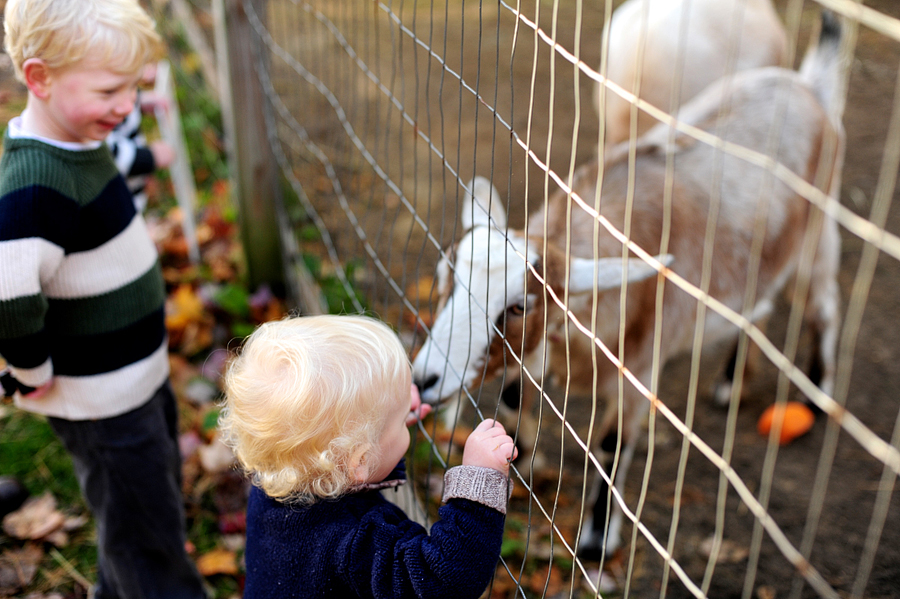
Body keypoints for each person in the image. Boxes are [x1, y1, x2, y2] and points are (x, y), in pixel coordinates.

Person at [0, 1, 206, 597]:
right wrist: (30, 371)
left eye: (134, 88)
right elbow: (10, 298)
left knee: (144, 506)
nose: (125, 107)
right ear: (39, 78)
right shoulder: (36, 185)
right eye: (111, 90)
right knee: (144, 531)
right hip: (101, 402)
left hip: (132, 379)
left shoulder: (78, 137)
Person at [219, 315, 517, 599]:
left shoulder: (276, 479)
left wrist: (387, 414)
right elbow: (442, 581)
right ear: (359, 460)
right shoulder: (356, 545)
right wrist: (479, 482)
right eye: (402, 421)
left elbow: (348, 462)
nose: (406, 421)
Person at [106, 61, 175, 213]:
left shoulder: (116, 91)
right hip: (117, 205)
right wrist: (149, 157)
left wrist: (139, 101)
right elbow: (105, 153)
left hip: (133, 191)